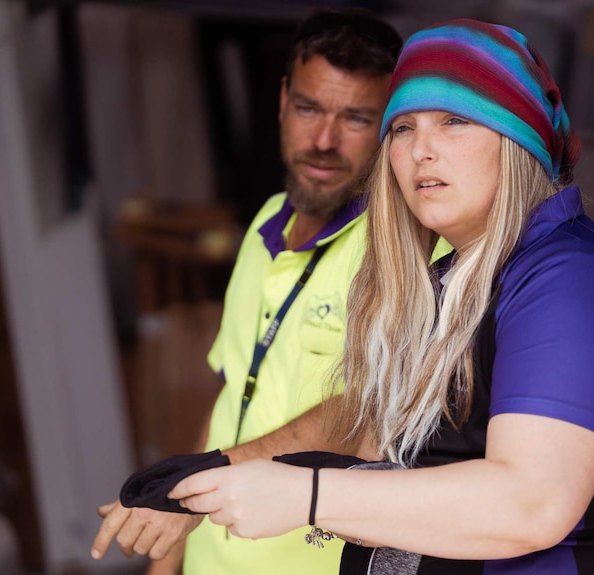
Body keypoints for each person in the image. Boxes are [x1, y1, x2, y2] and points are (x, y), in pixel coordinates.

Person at [169, 18, 594, 574]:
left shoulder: (573, 280)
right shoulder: (456, 278)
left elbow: (531, 504)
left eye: (454, 120)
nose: (422, 150)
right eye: (403, 127)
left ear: (516, 136)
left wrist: (305, 495)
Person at [90, 8, 402, 575]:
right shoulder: (266, 223)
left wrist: (191, 486)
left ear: (388, 126)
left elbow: (366, 415)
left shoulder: (398, 250)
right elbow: (233, 394)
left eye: (356, 118)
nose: (324, 140)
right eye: (309, 108)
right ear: (283, 100)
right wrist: (170, 558)